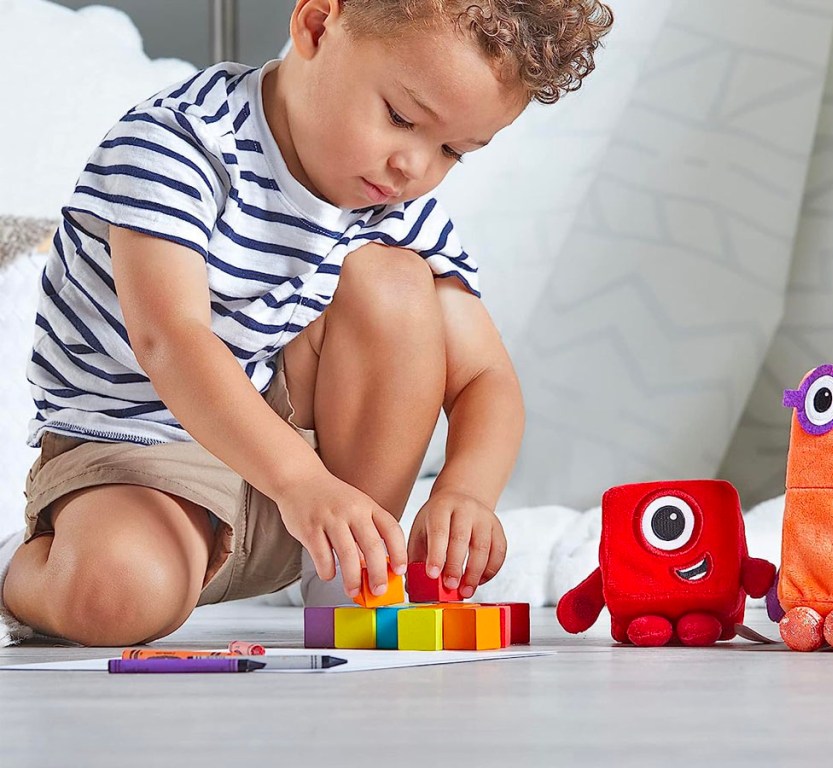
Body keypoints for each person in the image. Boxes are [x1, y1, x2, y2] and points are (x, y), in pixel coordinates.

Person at [0, 0, 613, 647]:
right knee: (119, 598)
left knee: (398, 283)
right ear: (318, 26)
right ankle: (19, 567)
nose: (416, 167)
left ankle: (349, 570)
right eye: (402, 117)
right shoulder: (176, 145)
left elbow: (486, 376)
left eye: (454, 150)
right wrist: (299, 481)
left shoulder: (389, 203)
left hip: (310, 494)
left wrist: (466, 491)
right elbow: (171, 341)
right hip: (134, 454)